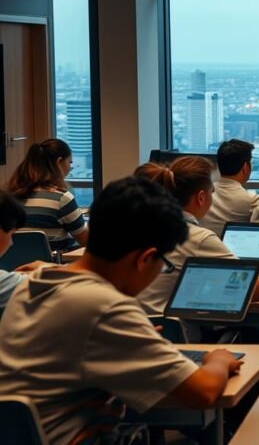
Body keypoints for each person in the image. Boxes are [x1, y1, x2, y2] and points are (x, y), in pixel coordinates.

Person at [0, 177, 243, 445]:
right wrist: (218, 359)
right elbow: (205, 392)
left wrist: (129, 335)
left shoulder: (33, 285)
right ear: (144, 259)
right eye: (162, 265)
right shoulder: (104, 307)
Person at [134, 156, 259, 315]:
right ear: (201, 198)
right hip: (174, 334)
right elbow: (257, 289)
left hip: (129, 328)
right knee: (258, 330)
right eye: (213, 192)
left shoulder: (139, 230)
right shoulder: (197, 237)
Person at [7, 138, 88, 252]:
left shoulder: (7, 196)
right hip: (48, 267)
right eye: (69, 162)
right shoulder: (61, 199)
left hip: (10, 267)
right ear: (59, 162)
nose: (70, 168)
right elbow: (86, 241)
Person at [199, 139, 259, 236]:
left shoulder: (200, 196)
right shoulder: (253, 201)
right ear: (245, 168)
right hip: (234, 250)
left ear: (218, 166)